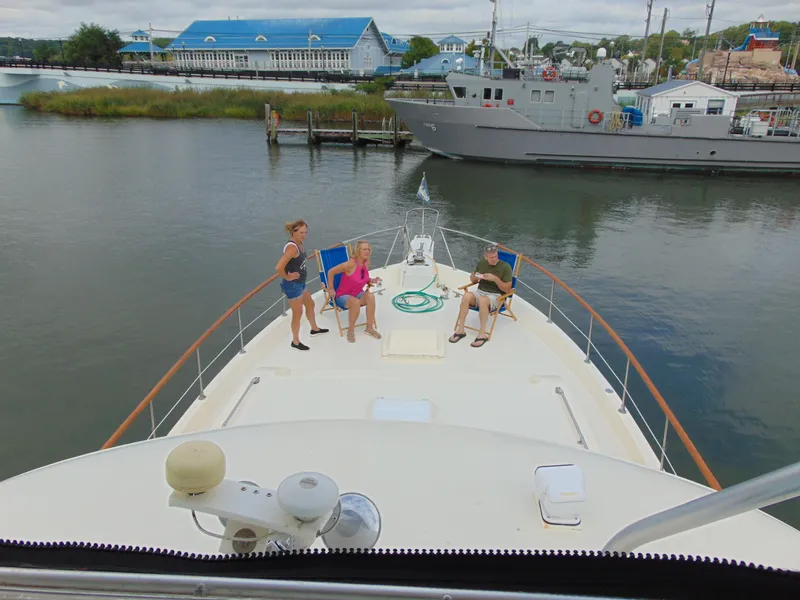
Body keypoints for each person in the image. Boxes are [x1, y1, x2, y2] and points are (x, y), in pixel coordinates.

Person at [275, 219, 328, 350]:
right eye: (301, 232)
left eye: (305, 232)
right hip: (293, 286)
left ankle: (314, 329)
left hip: (301, 283)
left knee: (310, 304)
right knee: (297, 313)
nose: (304, 235)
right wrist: (288, 276)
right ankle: (295, 341)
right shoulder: (292, 247)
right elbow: (279, 267)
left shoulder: (300, 244)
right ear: (293, 232)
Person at [449, 244, 512, 348]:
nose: (494, 259)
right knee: (466, 296)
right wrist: (475, 275)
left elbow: (507, 289)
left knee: (483, 300)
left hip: (496, 296)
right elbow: (474, 280)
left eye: (496, 256)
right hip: (480, 292)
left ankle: (482, 335)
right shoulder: (481, 263)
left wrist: (495, 279)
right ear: (485, 256)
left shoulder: (505, 267)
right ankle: (460, 330)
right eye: (491, 257)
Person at [327, 240, 381, 343]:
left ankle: (369, 328)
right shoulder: (350, 264)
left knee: (370, 296)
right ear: (358, 251)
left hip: (357, 293)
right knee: (355, 302)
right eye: (364, 249)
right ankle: (350, 330)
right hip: (342, 296)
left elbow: (362, 278)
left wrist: (372, 280)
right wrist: (330, 288)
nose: (367, 251)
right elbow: (330, 272)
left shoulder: (365, 263)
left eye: (368, 249)